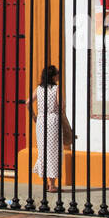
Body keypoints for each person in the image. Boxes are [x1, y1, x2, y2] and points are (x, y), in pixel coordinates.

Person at [32, 64, 73, 193]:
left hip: (41, 121)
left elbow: (28, 103)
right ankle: (52, 185)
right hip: (53, 121)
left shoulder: (38, 89)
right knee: (54, 151)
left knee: (43, 150)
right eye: (56, 74)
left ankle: (44, 182)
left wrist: (35, 116)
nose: (57, 77)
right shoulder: (56, 88)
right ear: (53, 76)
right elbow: (61, 105)